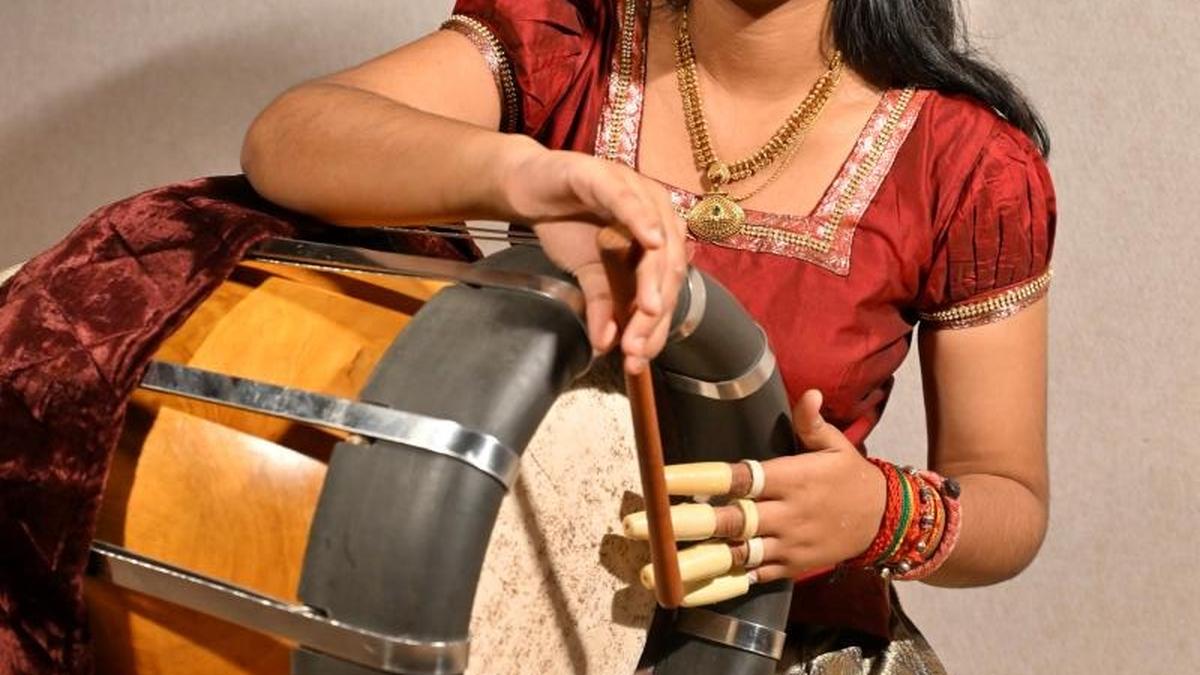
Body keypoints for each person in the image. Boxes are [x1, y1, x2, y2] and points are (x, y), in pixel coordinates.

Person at [241, 0, 1056, 670]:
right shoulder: (569, 45)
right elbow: (288, 137)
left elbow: (1008, 497)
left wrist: (879, 511)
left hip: (791, 646)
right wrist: (521, 174)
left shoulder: (967, 164)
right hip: (517, 623)